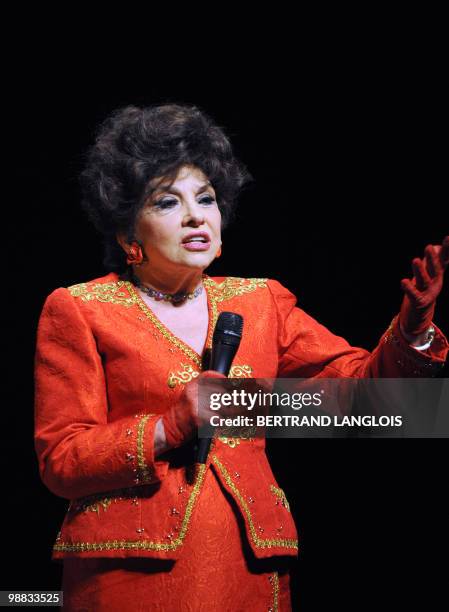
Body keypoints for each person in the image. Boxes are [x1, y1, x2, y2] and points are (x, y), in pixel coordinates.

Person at [34, 103, 449, 611]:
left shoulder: (261, 300)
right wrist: (169, 427)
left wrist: (413, 332)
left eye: (205, 199)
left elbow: (367, 398)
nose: (194, 216)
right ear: (128, 235)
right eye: (166, 203)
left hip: (248, 565)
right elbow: (61, 459)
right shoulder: (79, 308)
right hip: (129, 570)